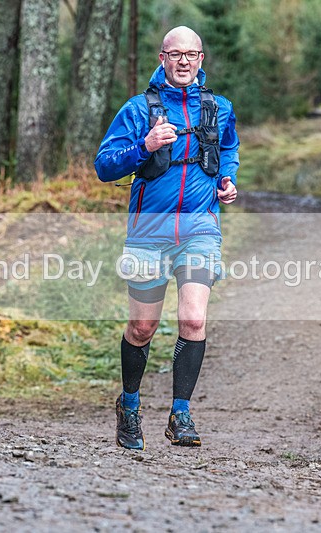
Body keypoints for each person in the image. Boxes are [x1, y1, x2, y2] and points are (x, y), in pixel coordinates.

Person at [94, 26, 239, 449]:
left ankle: (181, 414)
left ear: (201, 59)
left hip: (200, 229)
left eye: (191, 54)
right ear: (162, 58)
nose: (183, 62)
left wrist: (227, 181)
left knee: (193, 320)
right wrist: (144, 145)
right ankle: (130, 406)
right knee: (142, 327)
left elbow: (227, 149)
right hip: (148, 232)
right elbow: (105, 167)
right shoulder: (139, 109)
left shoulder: (219, 108)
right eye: (176, 54)